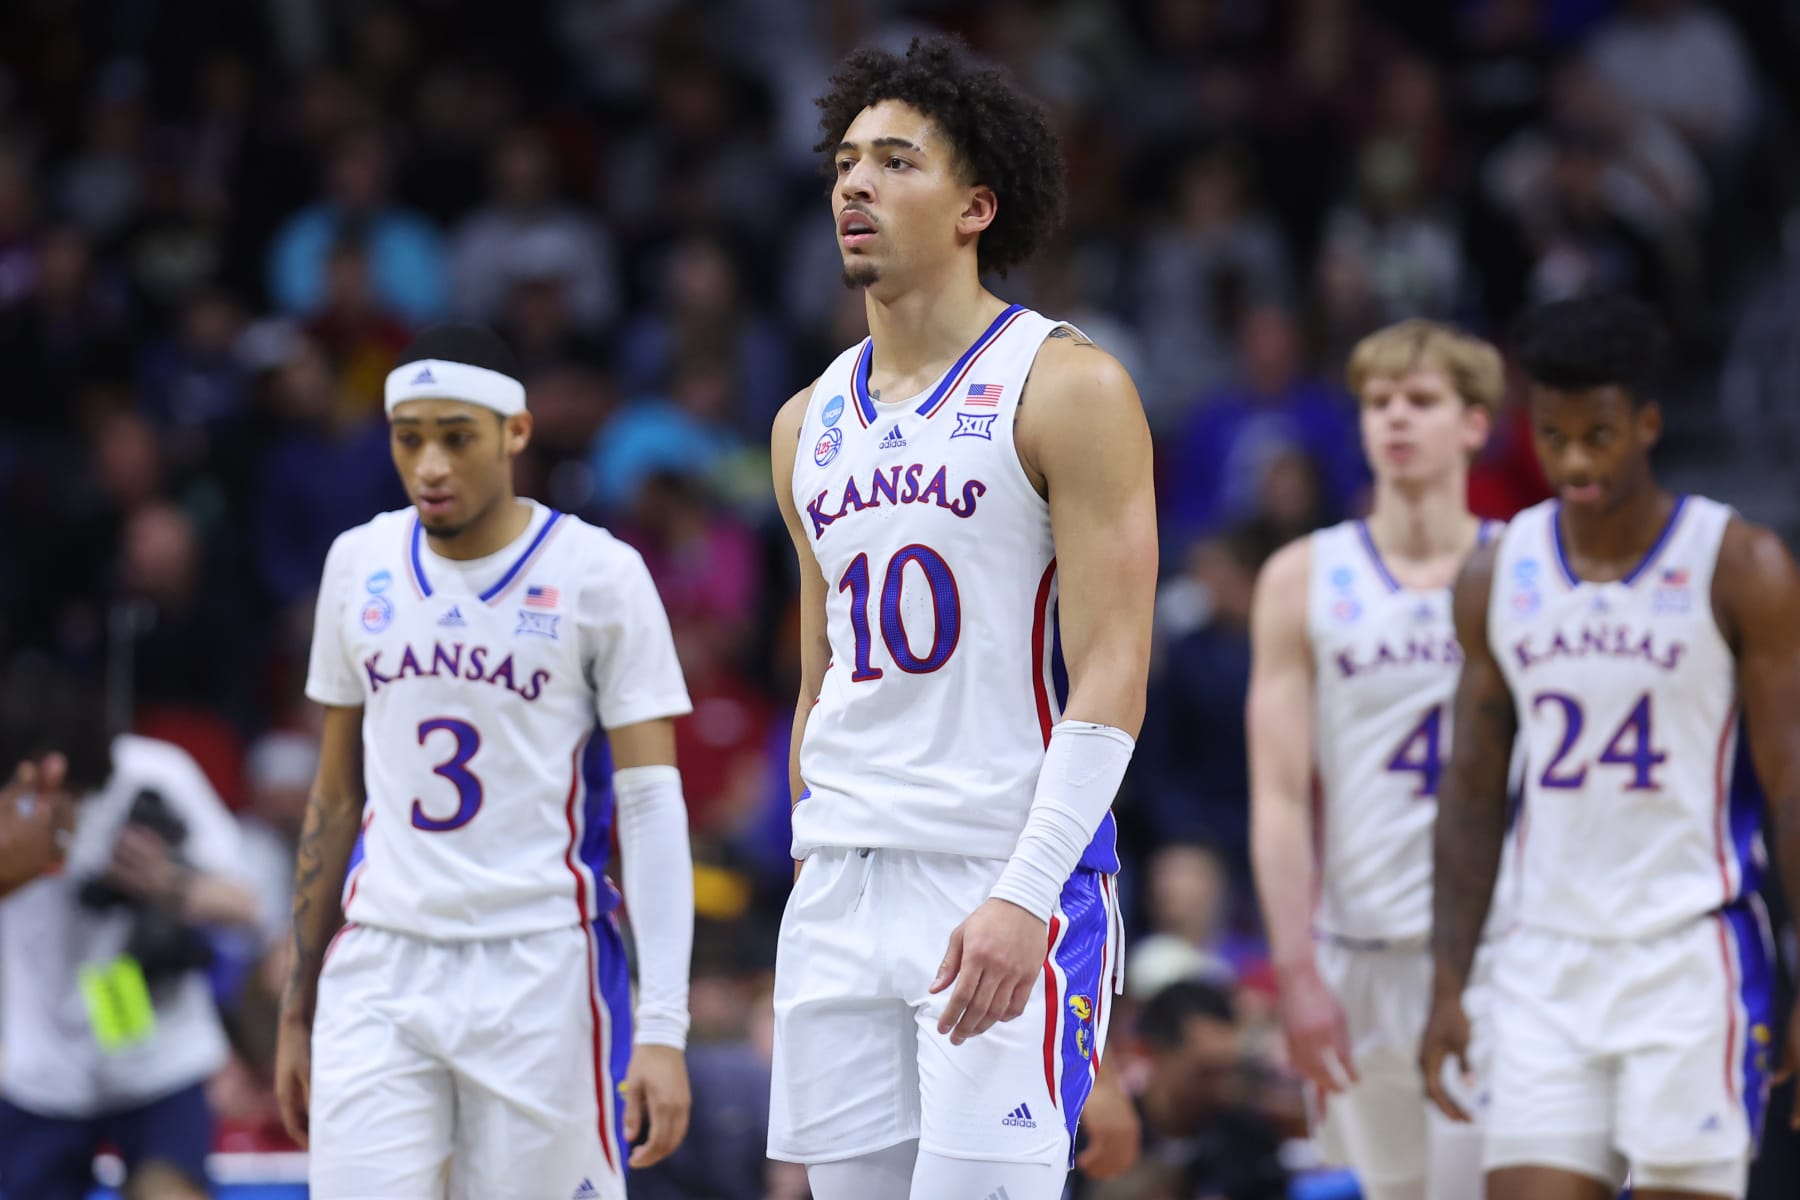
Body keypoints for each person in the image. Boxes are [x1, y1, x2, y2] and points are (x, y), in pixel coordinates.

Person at [765, 36, 1156, 1199]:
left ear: (977, 205)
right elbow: (817, 676)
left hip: (995, 869)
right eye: (844, 163)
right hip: (842, 879)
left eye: (895, 161)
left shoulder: (1068, 384)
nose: (854, 185)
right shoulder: (802, 422)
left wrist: (1026, 894)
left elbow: (1115, 670)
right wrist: (811, 853)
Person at [273, 324, 698, 1200]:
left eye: (456, 437)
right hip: (382, 964)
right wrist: (296, 1002)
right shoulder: (357, 564)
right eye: (409, 437)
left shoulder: (600, 574)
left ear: (516, 432)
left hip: (539, 969)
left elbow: (653, 810)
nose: (430, 463)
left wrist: (663, 1025)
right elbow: (333, 796)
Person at [1422, 294, 1800, 1200]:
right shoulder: (1495, 573)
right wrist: (1448, 982)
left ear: (1649, 424)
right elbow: (1471, 793)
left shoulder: (1738, 564)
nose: (1576, 461)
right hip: (1543, 958)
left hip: (1689, 953)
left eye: (1599, 435)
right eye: (1554, 437)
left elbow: (1791, 789)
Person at [1248, 319, 1507, 1200]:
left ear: (1475, 423)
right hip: (1356, 951)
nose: (1396, 418)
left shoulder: (1526, 567)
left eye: (1422, 401)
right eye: (1378, 402)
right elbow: (1279, 797)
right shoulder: (1302, 575)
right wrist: (1294, 970)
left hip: (1498, 952)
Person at [0, 668, 262, 1200]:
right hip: (39, 1068)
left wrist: (169, 882)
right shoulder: (9, 802)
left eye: (74, 800)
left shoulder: (154, 773)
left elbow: (248, 905)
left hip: (158, 1055)